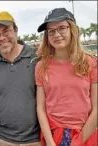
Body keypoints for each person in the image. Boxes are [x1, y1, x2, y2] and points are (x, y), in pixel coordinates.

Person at [35, 8, 97, 146]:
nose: (56, 34)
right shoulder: (41, 66)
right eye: (51, 31)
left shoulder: (90, 63)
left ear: (72, 30)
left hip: (85, 134)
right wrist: (50, 142)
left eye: (62, 28)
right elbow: (41, 107)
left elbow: (96, 108)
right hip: (54, 135)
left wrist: (78, 141)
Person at [0, 11, 41, 146]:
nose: (1, 38)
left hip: (36, 139)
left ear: (15, 30)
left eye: (6, 31)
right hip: (3, 138)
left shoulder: (37, 57)